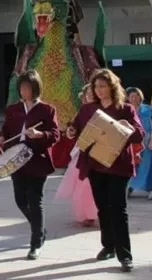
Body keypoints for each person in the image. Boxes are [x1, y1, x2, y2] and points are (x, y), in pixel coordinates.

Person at [66, 68, 143, 272]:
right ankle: (108, 246)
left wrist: (128, 127)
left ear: (112, 87)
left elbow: (139, 135)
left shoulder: (125, 109)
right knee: (103, 208)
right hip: (95, 165)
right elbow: (75, 129)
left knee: (118, 209)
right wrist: (71, 131)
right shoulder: (87, 109)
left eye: (103, 86)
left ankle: (125, 255)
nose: (99, 90)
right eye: (96, 86)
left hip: (118, 166)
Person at [0, 70, 59, 260]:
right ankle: (40, 228)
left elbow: (55, 135)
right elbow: (6, 130)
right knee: (20, 200)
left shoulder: (47, 110)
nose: (24, 91)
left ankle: (35, 243)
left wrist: (40, 135)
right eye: (21, 88)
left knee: (35, 200)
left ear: (35, 88)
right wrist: (1, 138)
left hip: (37, 159)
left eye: (27, 87)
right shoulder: (13, 110)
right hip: (17, 160)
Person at [55, 86, 98, 227]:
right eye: (88, 93)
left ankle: (99, 212)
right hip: (83, 152)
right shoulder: (83, 111)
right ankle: (86, 214)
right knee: (82, 184)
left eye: (93, 92)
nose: (91, 95)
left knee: (96, 185)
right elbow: (73, 129)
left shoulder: (105, 108)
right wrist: (71, 131)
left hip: (100, 151)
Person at [126, 87, 152, 199]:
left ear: (140, 96)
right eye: (132, 96)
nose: (134, 98)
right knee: (133, 165)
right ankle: (130, 187)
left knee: (149, 165)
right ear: (128, 98)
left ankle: (151, 188)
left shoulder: (148, 109)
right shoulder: (126, 109)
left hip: (148, 142)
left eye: (137, 95)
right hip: (133, 142)